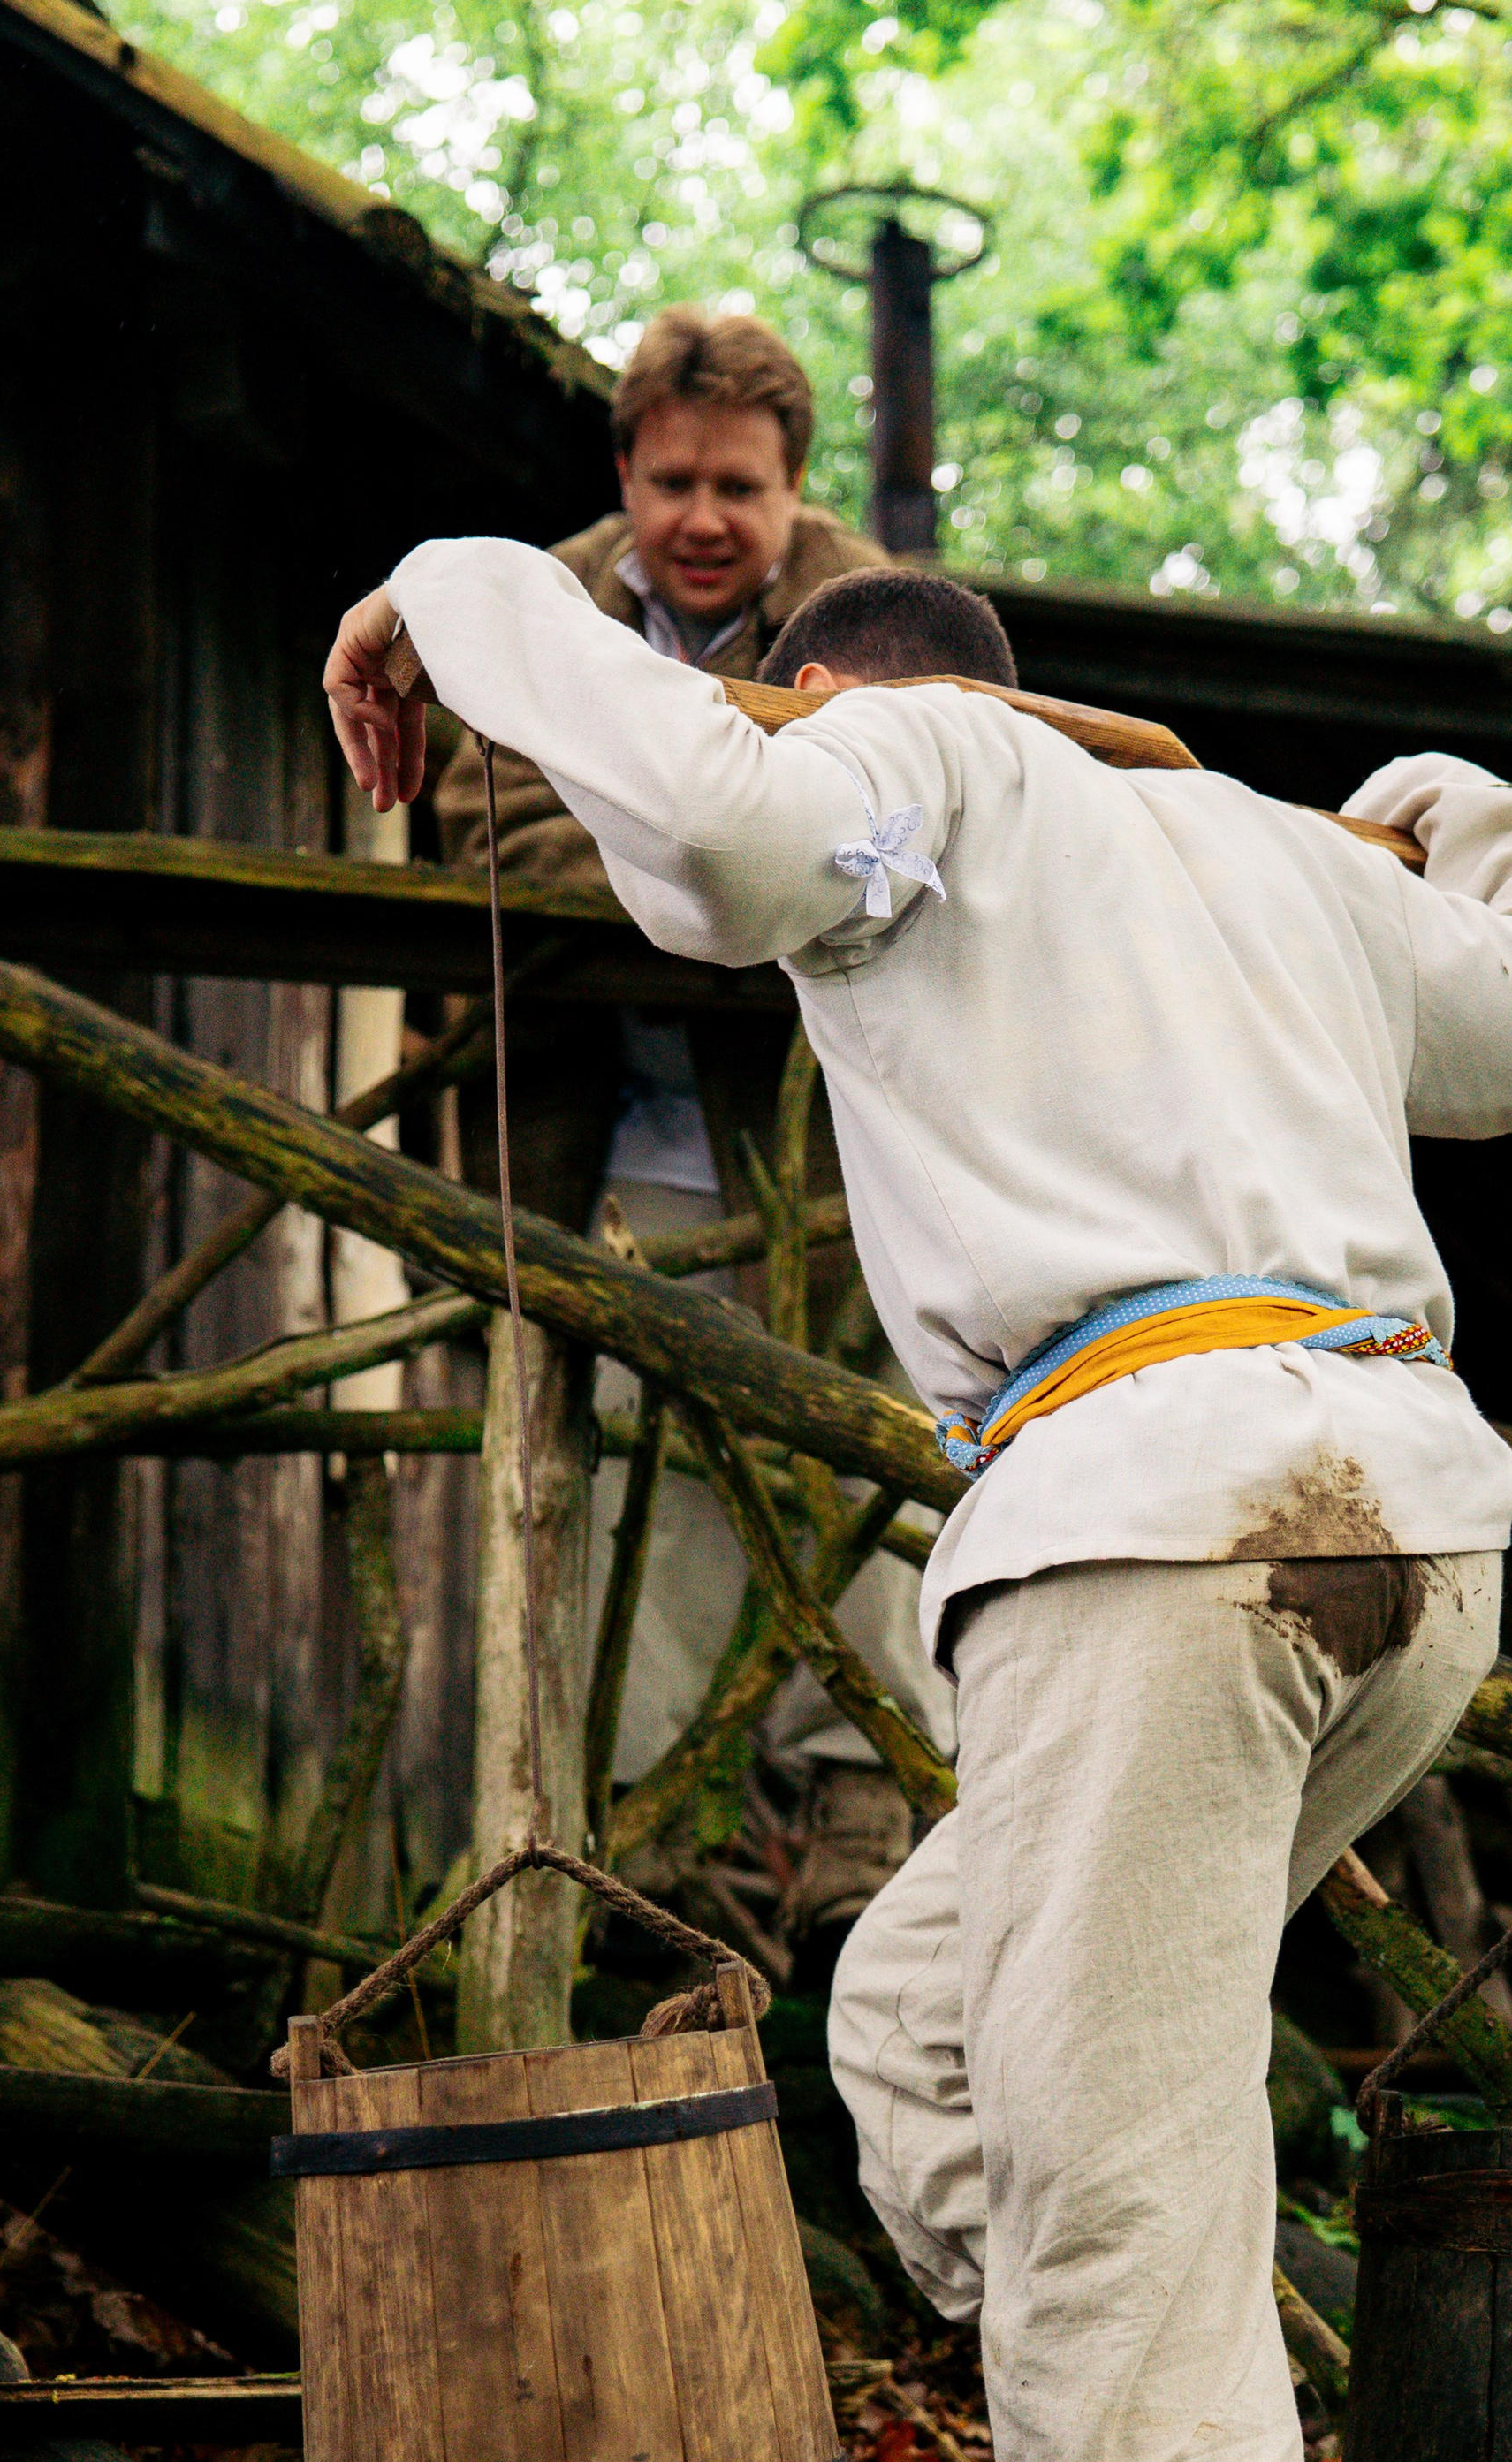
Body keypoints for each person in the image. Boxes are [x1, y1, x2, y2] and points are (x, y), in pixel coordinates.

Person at [323, 546, 1512, 2462]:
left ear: (827, 696)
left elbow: (723, 847)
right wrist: (1421, 804)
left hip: (1162, 1526)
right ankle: (1142, 2420)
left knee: (1106, 2196)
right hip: (1402, 1534)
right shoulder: (1278, 856)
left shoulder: (918, 764)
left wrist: (451, 579)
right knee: (925, 2024)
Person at [430, 308, 942, 1915]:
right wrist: (733, 857)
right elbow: (484, 824)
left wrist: (662, 826)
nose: (702, 521)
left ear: (794, 487)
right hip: (602, 1138)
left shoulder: (885, 622)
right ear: (628, 475)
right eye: (672, 483)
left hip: (826, 1140)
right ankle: (676, 1827)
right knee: (641, 1443)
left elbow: (916, 833)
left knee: (856, 1432)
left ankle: (868, 1801)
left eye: (738, 486)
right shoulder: (546, 605)